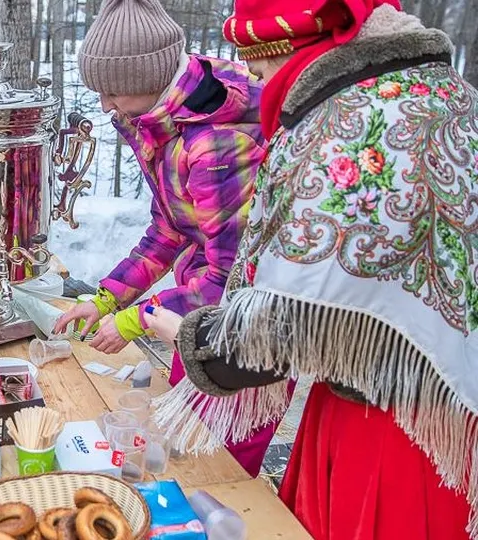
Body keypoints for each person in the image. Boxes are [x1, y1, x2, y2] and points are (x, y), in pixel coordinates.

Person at [144, 1, 478, 538]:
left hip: (386, 431)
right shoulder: (449, 96)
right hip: (455, 416)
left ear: (282, 50)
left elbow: (279, 331)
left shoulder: (340, 126)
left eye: (257, 70)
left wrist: (190, 334)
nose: (257, 85)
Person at [53, 0, 284, 476]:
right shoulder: (164, 124)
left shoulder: (217, 145)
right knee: (175, 447)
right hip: (196, 322)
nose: (104, 106)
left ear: (148, 78)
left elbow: (231, 280)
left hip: (247, 339)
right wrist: (104, 301)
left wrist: (138, 319)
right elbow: (168, 229)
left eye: (113, 91)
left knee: (215, 472)